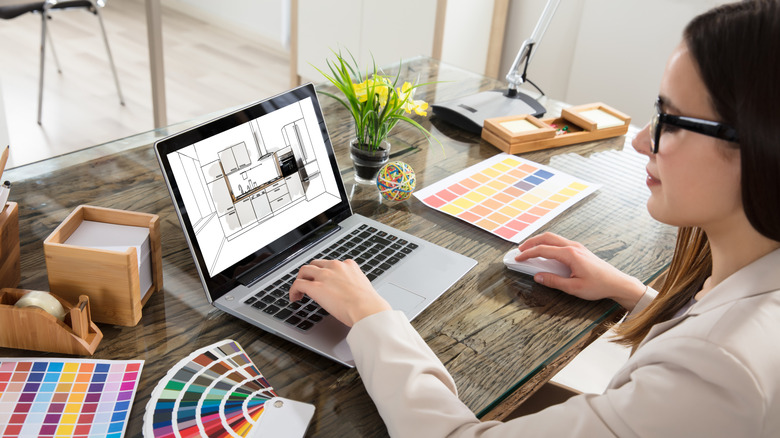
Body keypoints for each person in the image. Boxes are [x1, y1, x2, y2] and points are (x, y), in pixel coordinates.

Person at [289, 0, 780, 435]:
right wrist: (631, 292)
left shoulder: (717, 373)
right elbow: (712, 327)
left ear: (758, 143)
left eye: (669, 119)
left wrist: (371, 319)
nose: (640, 140)